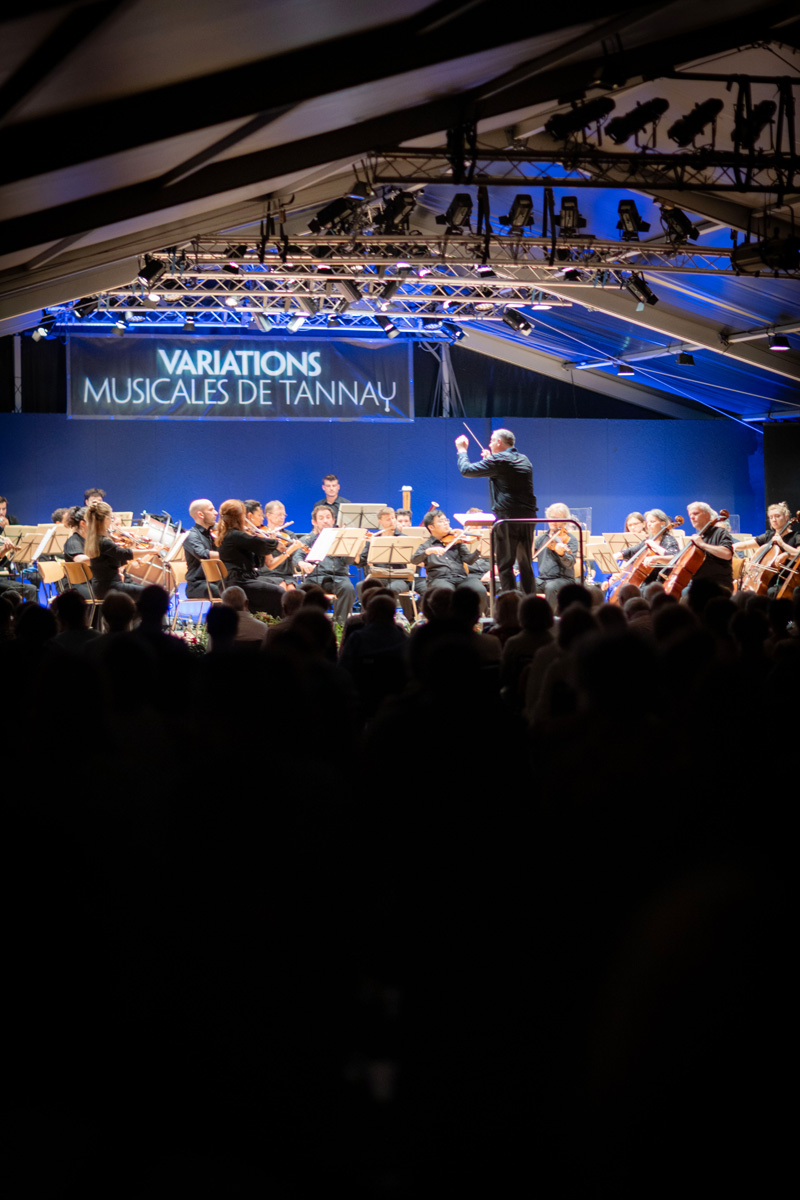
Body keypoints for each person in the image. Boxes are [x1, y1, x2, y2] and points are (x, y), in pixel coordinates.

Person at [455, 428, 537, 593]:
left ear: (499, 442)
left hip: (507, 518)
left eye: (492, 441)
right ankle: (530, 601)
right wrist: (490, 461)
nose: (490, 444)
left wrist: (462, 451)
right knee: (525, 563)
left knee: (505, 565)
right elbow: (506, 475)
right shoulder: (524, 459)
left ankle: (510, 602)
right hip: (528, 517)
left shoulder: (499, 460)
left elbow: (466, 470)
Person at [214, 499, 283, 616]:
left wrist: (261, 540)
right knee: (278, 592)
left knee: (275, 585)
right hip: (238, 583)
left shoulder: (228, 534)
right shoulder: (235, 535)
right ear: (239, 517)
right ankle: (277, 624)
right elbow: (259, 543)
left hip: (236, 580)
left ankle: (266, 621)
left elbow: (256, 560)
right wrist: (274, 542)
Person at [411, 508, 487, 610]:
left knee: (479, 590)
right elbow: (414, 560)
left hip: (461, 578)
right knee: (447, 593)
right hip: (439, 579)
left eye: (446, 520)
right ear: (431, 527)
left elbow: (469, 560)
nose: (446, 523)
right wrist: (428, 551)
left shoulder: (456, 540)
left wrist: (478, 550)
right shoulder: (426, 546)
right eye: (441, 521)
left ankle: (473, 618)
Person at [292, 503, 356, 624]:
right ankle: (307, 625)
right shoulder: (308, 539)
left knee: (348, 589)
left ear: (333, 520)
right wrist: (302, 563)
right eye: (321, 518)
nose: (325, 521)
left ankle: (340, 625)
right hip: (314, 578)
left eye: (328, 517)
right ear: (314, 522)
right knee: (300, 592)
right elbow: (297, 555)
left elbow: (348, 561)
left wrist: (355, 549)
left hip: (339, 577)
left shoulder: (342, 539)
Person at [84, 500, 147, 599]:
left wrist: (131, 547)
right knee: (152, 593)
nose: (111, 521)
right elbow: (123, 554)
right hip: (110, 587)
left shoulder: (94, 539)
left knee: (147, 592)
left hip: (101, 587)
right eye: (111, 518)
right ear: (106, 519)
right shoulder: (104, 541)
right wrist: (151, 550)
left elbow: (118, 559)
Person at [681, 501, 734, 592]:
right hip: (698, 583)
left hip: (718, 584)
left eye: (696, 514)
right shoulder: (697, 537)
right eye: (690, 515)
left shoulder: (720, 532)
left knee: (686, 593)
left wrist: (702, 544)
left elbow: (727, 554)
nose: (692, 517)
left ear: (707, 515)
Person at [533, 503, 579, 609]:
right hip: (542, 579)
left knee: (551, 587)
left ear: (564, 522)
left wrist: (562, 554)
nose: (553, 521)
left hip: (563, 579)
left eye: (558, 519)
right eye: (552, 518)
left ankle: (551, 618)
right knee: (523, 584)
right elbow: (529, 556)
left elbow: (570, 563)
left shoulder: (571, 539)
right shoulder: (541, 539)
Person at [257, 500, 305, 588]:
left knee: (291, 589)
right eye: (279, 515)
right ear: (268, 515)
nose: (282, 517)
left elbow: (295, 556)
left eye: (284, 515)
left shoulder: (289, 535)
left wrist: (290, 549)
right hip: (266, 573)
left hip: (285, 574)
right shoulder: (261, 533)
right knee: (281, 586)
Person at [184, 498, 220, 598]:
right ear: (201, 515)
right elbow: (202, 554)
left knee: (238, 587)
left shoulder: (213, 533)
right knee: (226, 592)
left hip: (216, 581)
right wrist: (226, 554)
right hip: (197, 585)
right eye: (211, 510)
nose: (216, 513)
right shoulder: (191, 535)